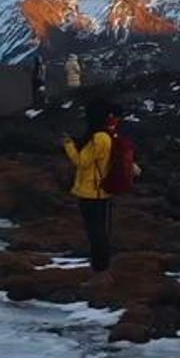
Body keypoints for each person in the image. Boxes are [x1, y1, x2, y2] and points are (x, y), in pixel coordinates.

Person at [62, 103, 120, 287]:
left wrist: (68, 144)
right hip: (101, 192)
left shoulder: (98, 138)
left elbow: (81, 162)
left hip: (92, 193)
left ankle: (100, 275)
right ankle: (102, 272)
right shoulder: (108, 136)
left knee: (96, 235)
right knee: (100, 233)